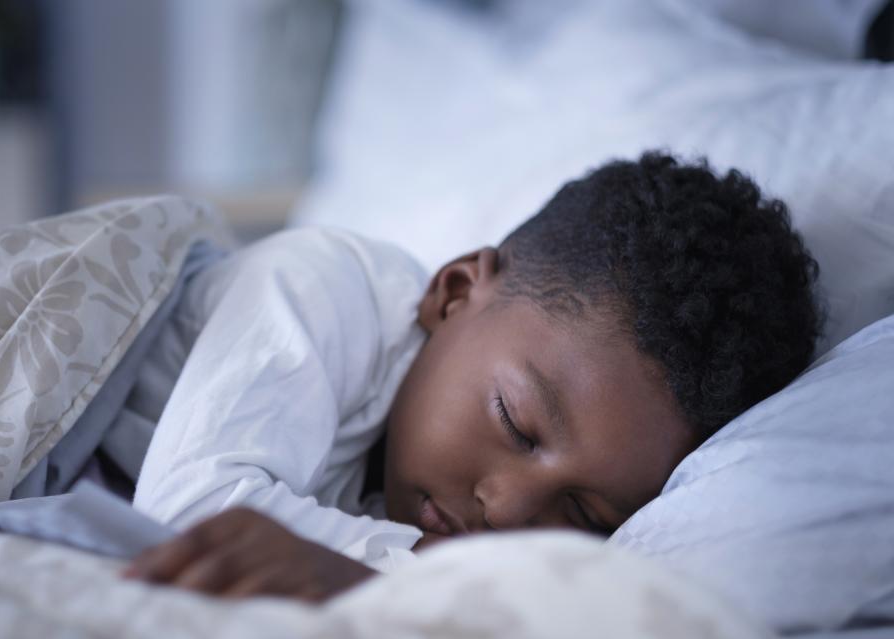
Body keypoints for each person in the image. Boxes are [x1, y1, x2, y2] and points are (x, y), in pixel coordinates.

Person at [116, 152, 819, 601]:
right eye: (515, 422)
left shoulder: (410, 508)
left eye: (583, 515)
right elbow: (186, 515)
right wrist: (385, 577)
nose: (508, 512)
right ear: (453, 294)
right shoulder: (323, 289)